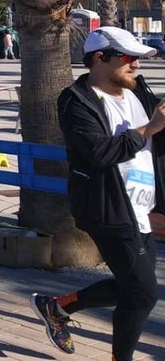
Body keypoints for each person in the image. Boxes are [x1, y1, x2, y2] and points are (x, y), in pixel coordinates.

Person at [35, 26, 165, 359]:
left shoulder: (138, 90)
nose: (135, 65)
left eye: (138, 59)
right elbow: (100, 152)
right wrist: (150, 127)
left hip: (142, 207)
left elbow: (157, 144)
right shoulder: (76, 101)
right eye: (128, 58)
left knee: (131, 286)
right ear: (99, 58)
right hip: (108, 208)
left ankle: (57, 308)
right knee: (143, 292)